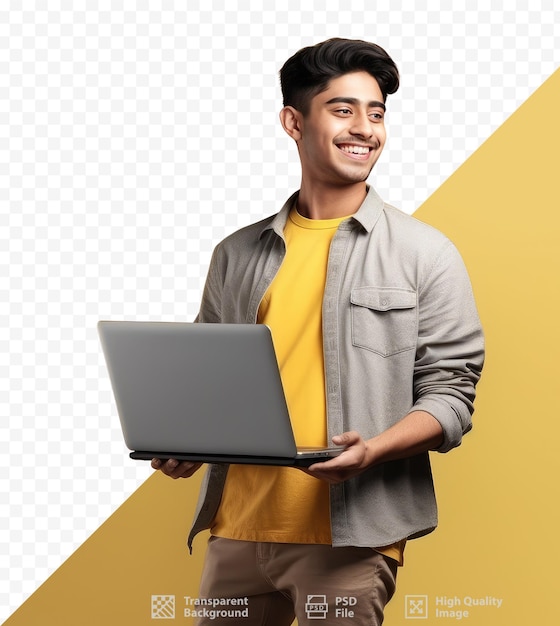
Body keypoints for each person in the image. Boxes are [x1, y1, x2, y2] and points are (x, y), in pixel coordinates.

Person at [152, 38, 484, 626]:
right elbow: (209, 377)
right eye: (343, 109)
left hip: (349, 540)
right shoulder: (235, 253)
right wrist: (184, 442)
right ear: (293, 121)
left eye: (376, 112)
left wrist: (373, 450)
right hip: (235, 531)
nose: (365, 128)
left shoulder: (425, 254)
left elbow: (452, 395)